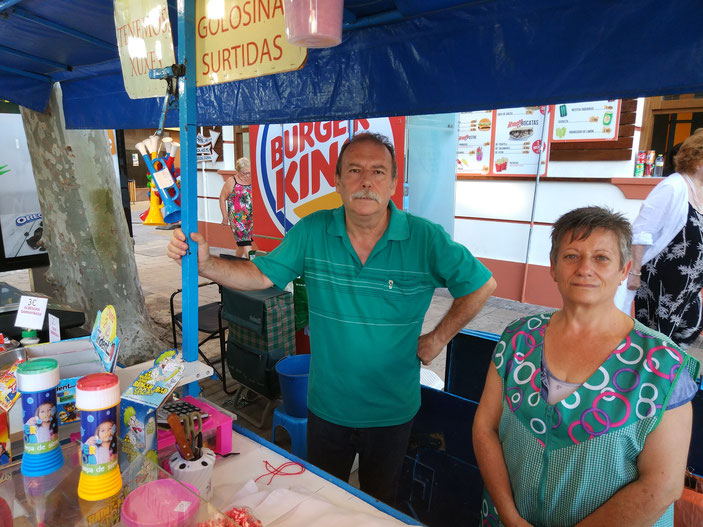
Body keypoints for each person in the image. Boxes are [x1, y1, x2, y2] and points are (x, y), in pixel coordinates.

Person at [168, 132, 496, 504]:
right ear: (337, 181)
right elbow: (261, 276)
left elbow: (480, 285)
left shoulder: (425, 239)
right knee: (321, 500)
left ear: (392, 182)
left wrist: (438, 338)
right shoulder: (313, 230)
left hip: (391, 410)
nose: (366, 181)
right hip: (327, 407)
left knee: (379, 505)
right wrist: (208, 264)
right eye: (354, 170)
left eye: (377, 171)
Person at [474, 206, 699, 526]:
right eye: (571, 256)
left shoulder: (663, 365)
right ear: (553, 267)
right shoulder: (517, 339)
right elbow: (486, 428)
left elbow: (662, 487)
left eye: (601, 258)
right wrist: (509, 516)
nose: (585, 269)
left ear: (625, 269)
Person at [615, 129, 703, 348]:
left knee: (689, 328)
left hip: (688, 287)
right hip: (662, 285)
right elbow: (641, 231)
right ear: (698, 159)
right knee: (657, 339)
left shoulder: (699, 190)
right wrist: (634, 272)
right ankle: (651, 376)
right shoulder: (673, 187)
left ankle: (667, 375)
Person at [219, 157, 254, 258]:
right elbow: (222, 198)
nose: (247, 175)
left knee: (241, 243)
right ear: (237, 171)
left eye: (249, 172)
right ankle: (253, 265)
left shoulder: (253, 179)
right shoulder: (232, 181)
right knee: (246, 242)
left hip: (251, 217)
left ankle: (236, 261)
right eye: (244, 173)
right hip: (237, 218)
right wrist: (225, 216)